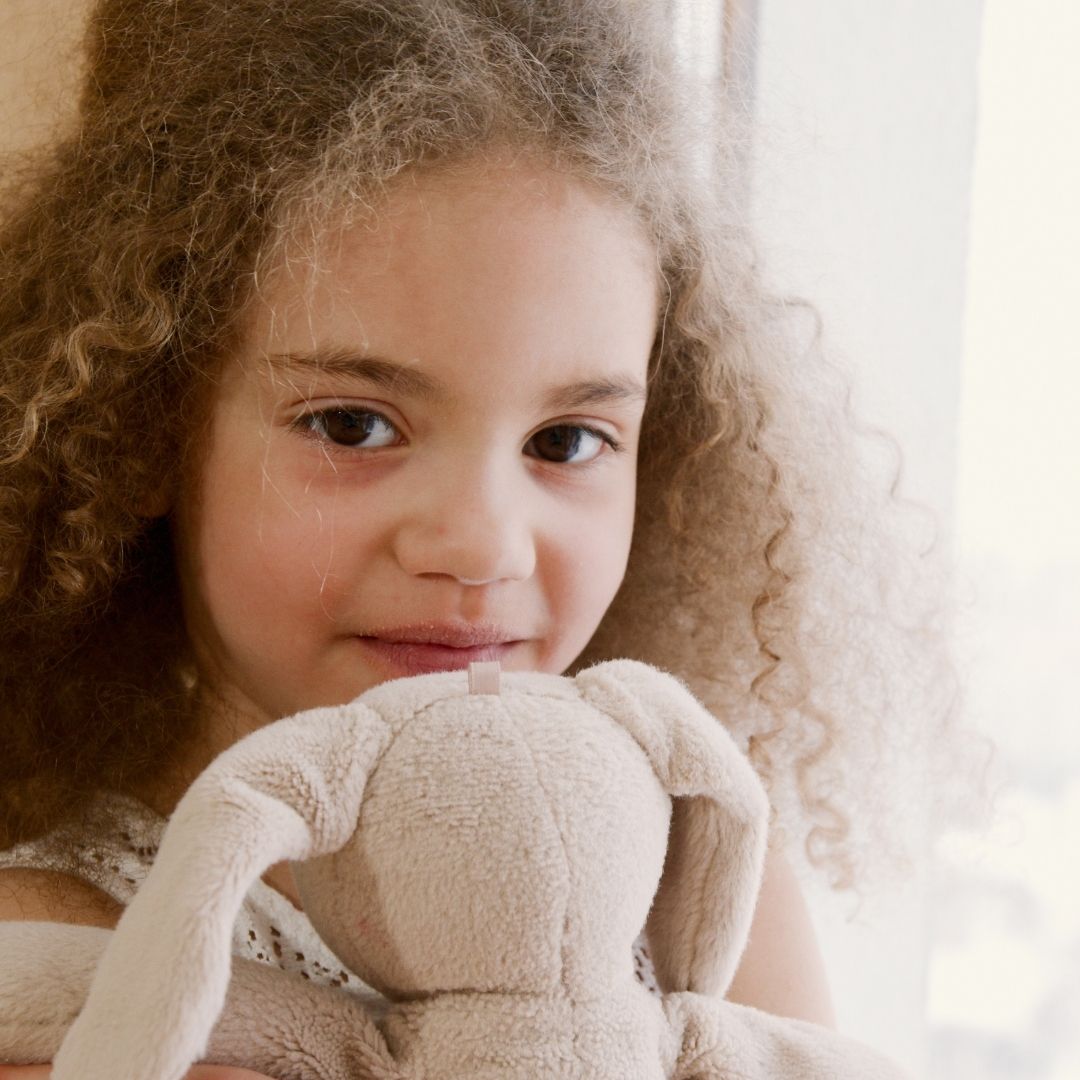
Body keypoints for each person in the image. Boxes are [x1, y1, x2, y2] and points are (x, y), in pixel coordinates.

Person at [0, 1, 968, 1076]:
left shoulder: (703, 879)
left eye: (566, 439)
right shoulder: (66, 966)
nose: (481, 547)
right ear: (143, 435)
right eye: (353, 425)